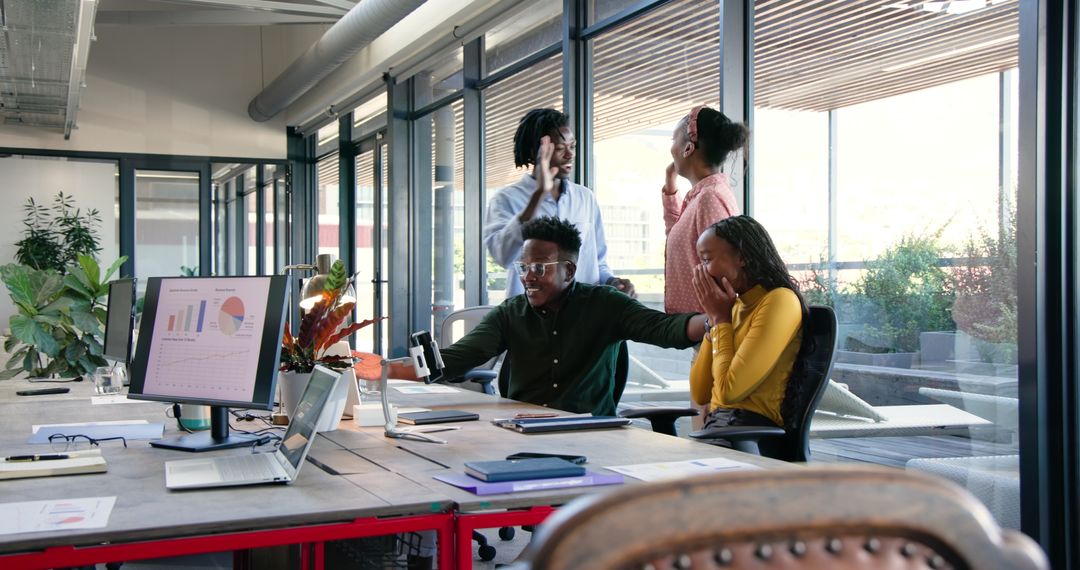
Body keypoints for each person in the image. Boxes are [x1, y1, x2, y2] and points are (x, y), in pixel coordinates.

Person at [385, 216, 708, 416]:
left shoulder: (605, 304)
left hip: (590, 431)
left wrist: (714, 319)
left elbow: (666, 330)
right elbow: (453, 359)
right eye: (524, 267)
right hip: (521, 425)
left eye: (539, 268)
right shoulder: (511, 313)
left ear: (568, 270)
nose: (528, 277)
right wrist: (379, 369)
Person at [483, 108, 635, 298]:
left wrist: (612, 282)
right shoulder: (506, 199)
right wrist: (538, 195)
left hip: (580, 314)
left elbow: (597, 262)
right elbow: (503, 255)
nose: (570, 155)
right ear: (535, 151)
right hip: (530, 317)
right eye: (560, 148)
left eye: (572, 146)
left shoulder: (585, 198)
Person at [690, 215, 809, 429]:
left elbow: (728, 392)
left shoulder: (780, 300)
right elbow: (700, 392)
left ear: (742, 257)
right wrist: (713, 321)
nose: (702, 271)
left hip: (752, 435)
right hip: (720, 426)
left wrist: (720, 320)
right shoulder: (731, 308)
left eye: (707, 260)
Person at [662, 105, 748, 314]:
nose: (671, 148)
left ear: (688, 148)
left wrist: (718, 324)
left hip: (710, 328)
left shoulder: (710, 198)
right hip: (701, 327)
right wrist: (670, 186)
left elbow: (724, 270)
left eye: (674, 140)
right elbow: (676, 233)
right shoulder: (701, 196)